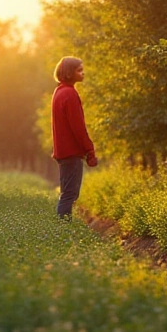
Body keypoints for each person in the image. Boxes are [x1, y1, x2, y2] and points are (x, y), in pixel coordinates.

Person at [50, 56, 98, 218]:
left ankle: (62, 229)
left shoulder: (59, 91)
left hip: (63, 152)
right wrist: (89, 150)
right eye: (79, 70)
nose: (83, 73)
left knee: (66, 193)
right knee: (69, 195)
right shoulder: (69, 94)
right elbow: (78, 127)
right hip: (71, 152)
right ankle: (62, 230)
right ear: (70, 73)